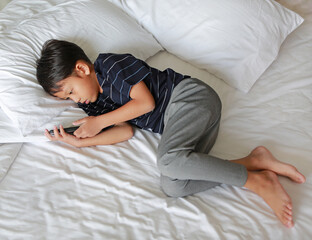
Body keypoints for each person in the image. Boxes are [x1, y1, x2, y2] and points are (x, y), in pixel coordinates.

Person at [36, 39, 305, 228]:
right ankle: (255, 161)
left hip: (191, 99)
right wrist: (82, 141)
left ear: (82, 69)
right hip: (183, 124)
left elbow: (145, 104)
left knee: (166, 161)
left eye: (71, 91)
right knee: (174, 185)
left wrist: (99, 121)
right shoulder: (95, 105)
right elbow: (125, 132)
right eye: (67, 99)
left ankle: (257, 182)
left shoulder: (110, 66)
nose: (75, 100)